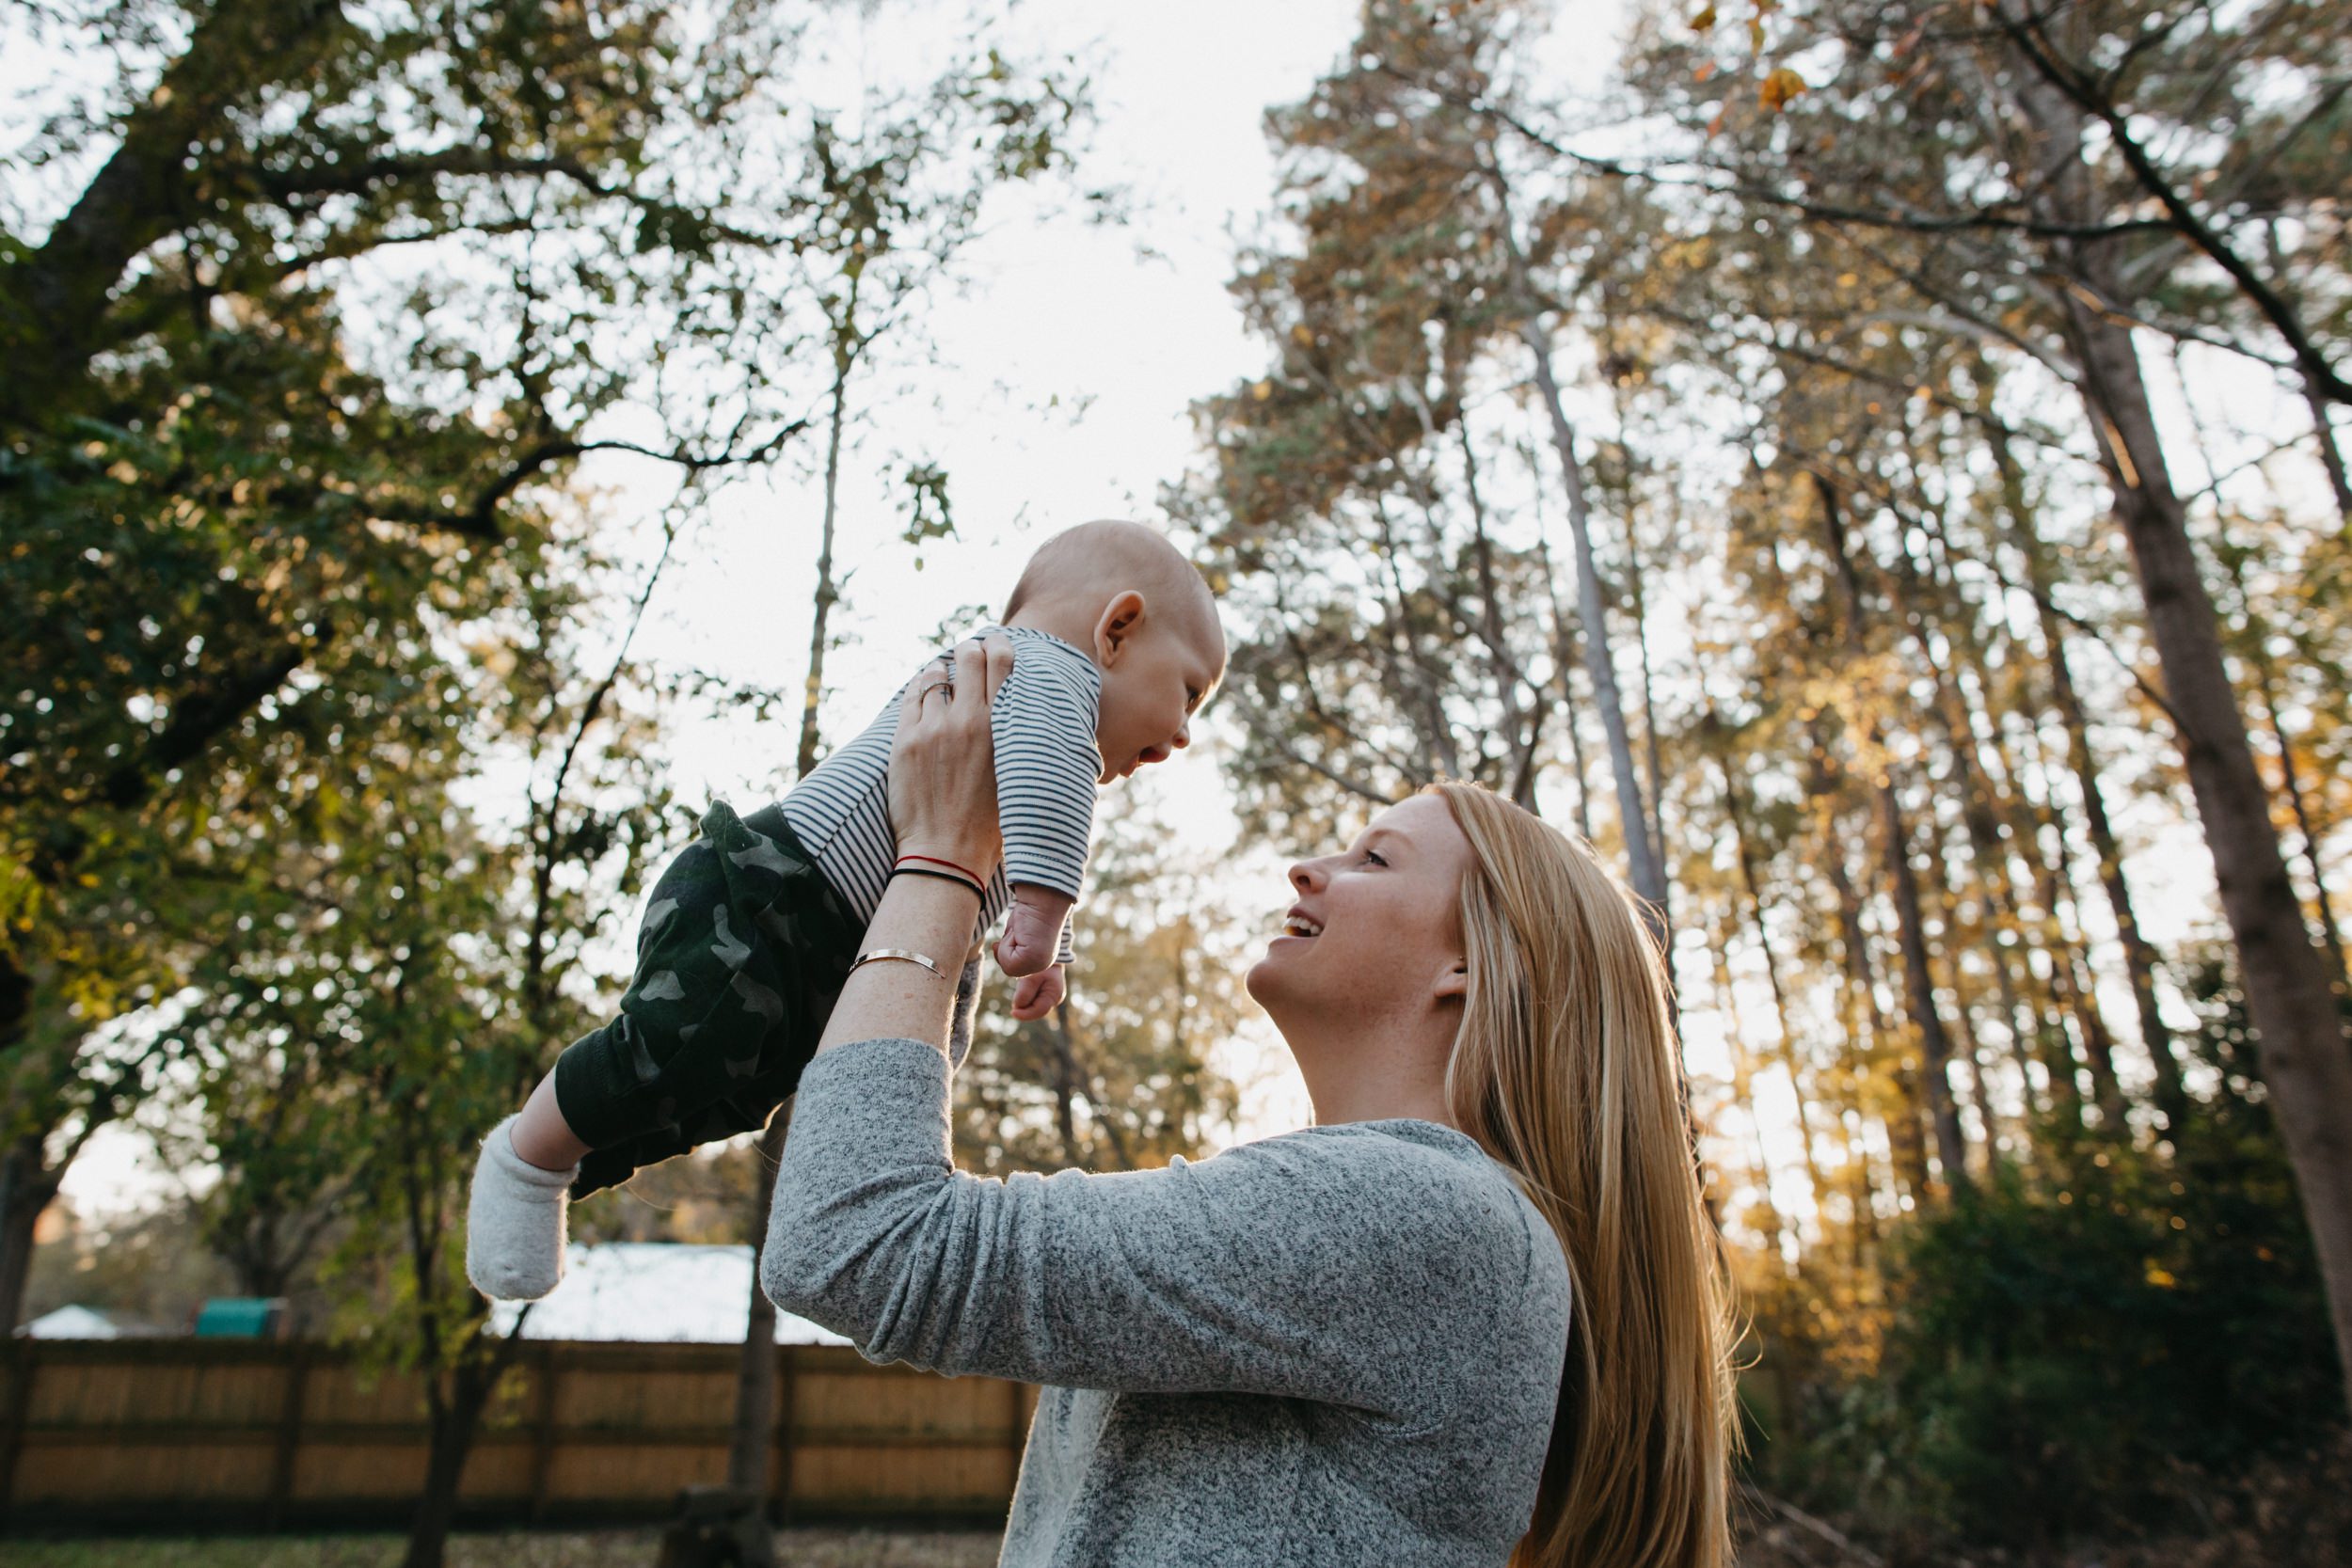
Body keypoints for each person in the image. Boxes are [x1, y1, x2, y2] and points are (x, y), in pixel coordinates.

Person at [760, 636, 1738, 1568]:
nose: (1309, 868)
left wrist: (943, 857)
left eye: (1375, 859)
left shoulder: (1420, 1215)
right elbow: (858, 1190)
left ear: (1470, 963)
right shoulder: (1395, 1217)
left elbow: (858, 1235)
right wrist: (975, 883)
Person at [465, 521, 1228, 1302]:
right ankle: (527, 1153)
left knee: (716, 1093)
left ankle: (566, 1155)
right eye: (1190, 691)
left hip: (830, 939)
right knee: (671, 1048)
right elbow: (1052, 798)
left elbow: (1036, 821)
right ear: (1118, 629)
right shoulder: (1041, 669)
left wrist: (1049, 939)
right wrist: (1042, 925)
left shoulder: (1040, 720)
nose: (1183, 733)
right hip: (770, 895)